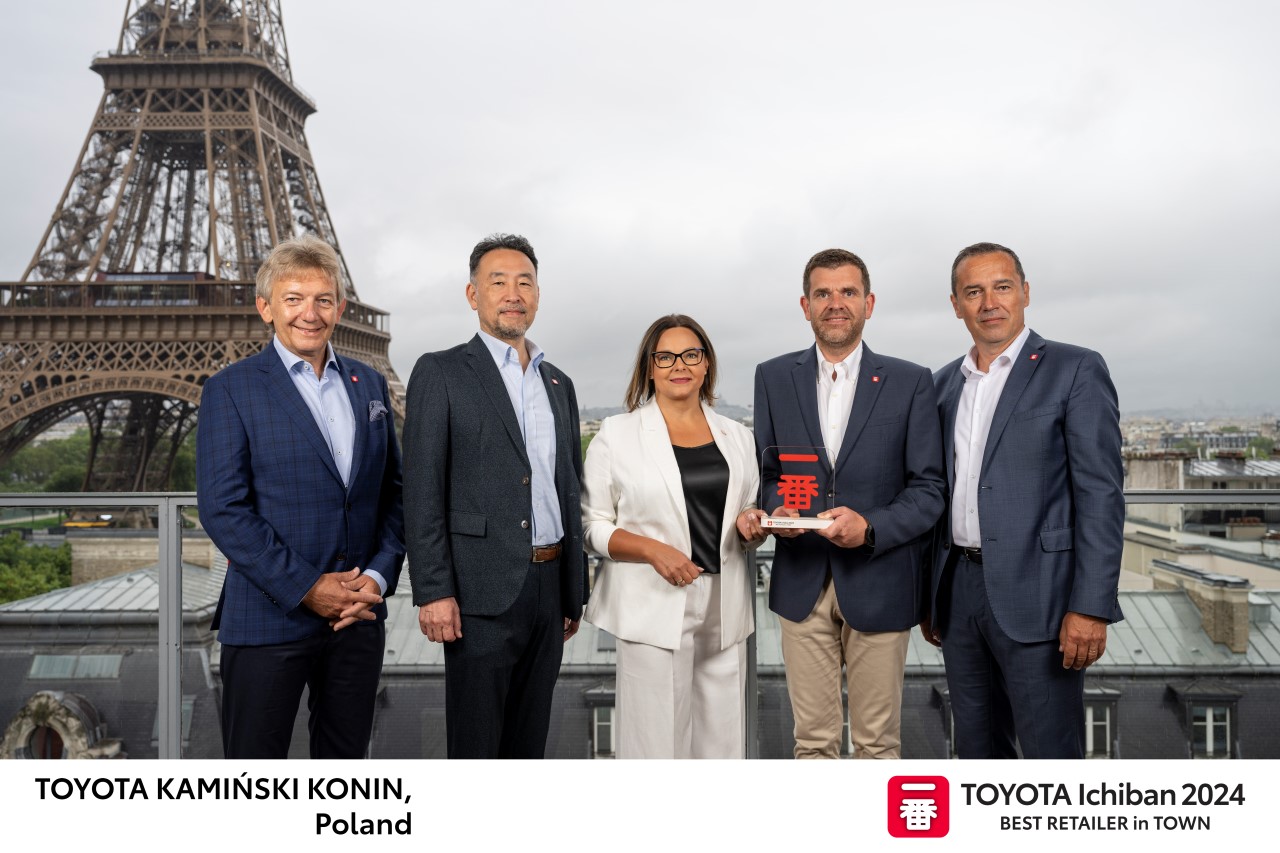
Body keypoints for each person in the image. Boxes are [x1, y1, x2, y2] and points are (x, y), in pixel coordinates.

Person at [196, 233, 404, 759]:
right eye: (293, 299)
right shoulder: (230, 389)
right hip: (269, 617)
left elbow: (394, 494)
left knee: (345, 772)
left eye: (322, 300)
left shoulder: (370, 383)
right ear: (266, 307)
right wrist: (308, 587)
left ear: (340, 308)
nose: (309, 314)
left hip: (357, 617)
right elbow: (224, 509)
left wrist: (377, 578)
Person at [923, 241, 1124, 759]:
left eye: (1002, 287)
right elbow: (935, 494)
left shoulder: (1075, 369)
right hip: (958, 594)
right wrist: (930, 597)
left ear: (1026, 293)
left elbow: (1101, 495)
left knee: (1049, 755)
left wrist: (1091, 606)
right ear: (956, 305)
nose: (990, 302)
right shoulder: (942, 386)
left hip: (1044, 596)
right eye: (974, 292)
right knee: (977, 751)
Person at [747, 248, 946, 759]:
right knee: (812, 743)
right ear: (805, 305)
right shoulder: (773, 377)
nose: (836, 303)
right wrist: (781, 511)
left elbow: (929, 489)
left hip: (880, 582)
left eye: (848, 292)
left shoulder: (910, 381)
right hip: (801, 582)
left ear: (869, 303)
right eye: (823, 293)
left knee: (877, 744)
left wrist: (871, 527)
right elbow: (768, 473)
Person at [402, 233, 587, 759]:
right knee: (477, 747)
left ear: (537, 295)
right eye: (498, 282)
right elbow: (422, 489)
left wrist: (572, 588)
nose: (513, 294)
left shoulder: (559, 383)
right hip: (477, 591)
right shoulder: (440, 371)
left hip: (551, 588)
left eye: (524, 282)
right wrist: (433, 591)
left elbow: (567, 485)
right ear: (472, 294)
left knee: (529, 746)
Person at [581, 315, 763, 758]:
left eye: (690, 355)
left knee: (723, 747)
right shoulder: (616, 435)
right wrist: (651, 550)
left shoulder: (739, 437)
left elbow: (744, 511)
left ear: (706, 364)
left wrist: (750, 524)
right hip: (652, 603)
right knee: (655, 748)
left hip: (725, 603)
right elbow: (591, 526)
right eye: (665, 357)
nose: (679, 365)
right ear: (649, 367)